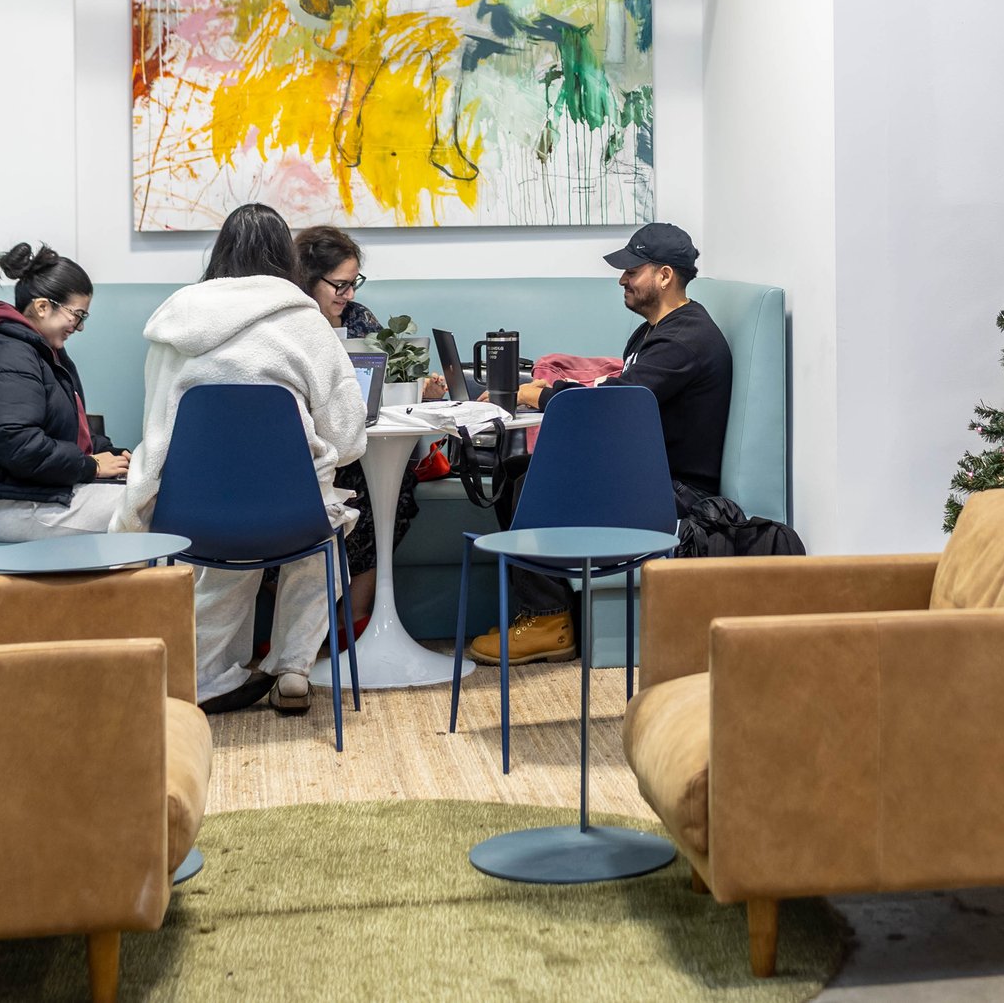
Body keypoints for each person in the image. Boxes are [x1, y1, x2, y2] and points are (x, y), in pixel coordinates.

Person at [118, 204, 368, 716]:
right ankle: (294, 667)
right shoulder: (304, 321)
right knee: (322, 532)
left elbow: (156, 423)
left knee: (229, 551)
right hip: (288, 511)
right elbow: (347, 436)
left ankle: (204, 674)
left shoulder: (175, 323)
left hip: (188, 511)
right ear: (285, 259)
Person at [471, 221, 732, 665]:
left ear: (665, 275)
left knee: (538, 480)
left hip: (676, 491)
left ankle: (548, 618)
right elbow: (619, 384)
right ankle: (550, 612)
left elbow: (614, 403)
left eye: (633, 269)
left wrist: (540, 393)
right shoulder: (653, 331)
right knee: (515, 471)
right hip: (646, 475)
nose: (622, 278)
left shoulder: (685, 338)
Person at [292, 224, 445, 619]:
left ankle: (355, 622)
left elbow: (390, 381)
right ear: (308, 279)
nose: (350, 295)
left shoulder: (360, 319)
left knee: (392, 487)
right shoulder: (289, 324)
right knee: (328, 483)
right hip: (303, 447)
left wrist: (418, 389)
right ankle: (302, 624)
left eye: (354, 282)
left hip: (361, 445)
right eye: (340, 285)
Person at [0, 243, 128, 542]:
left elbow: (66, 431)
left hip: (35, 494)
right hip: (7, 507)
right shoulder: (7, 355)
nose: (78, 327)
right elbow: (18, 444)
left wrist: (113, 454)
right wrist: (90, 466)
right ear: (42, 307)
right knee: (156, 506)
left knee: (154, 493)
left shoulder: (38, 351)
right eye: (77, 315)